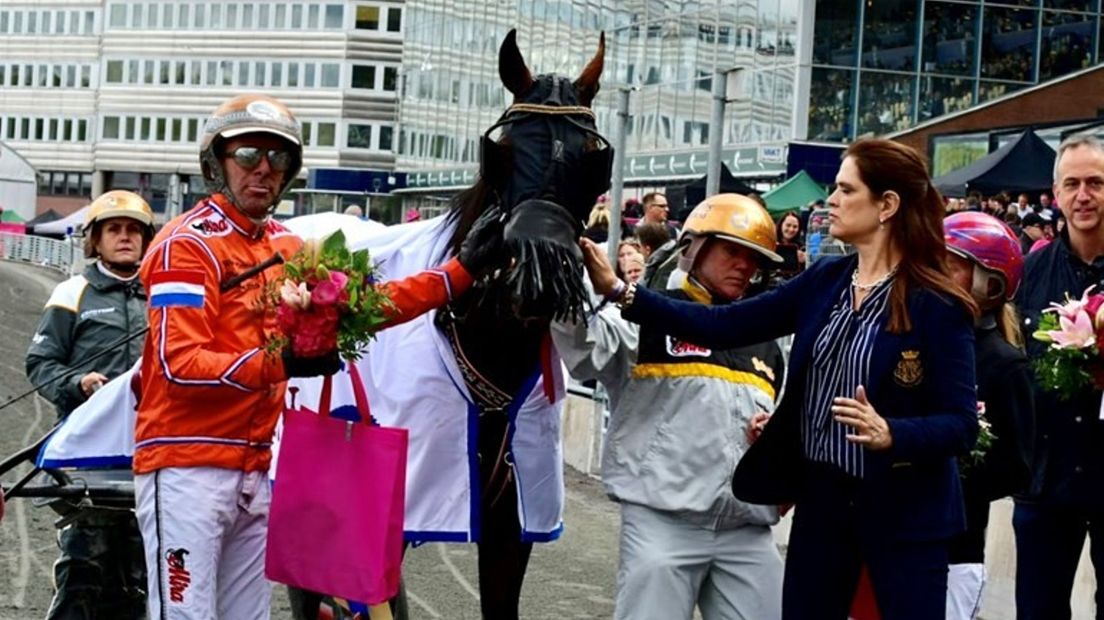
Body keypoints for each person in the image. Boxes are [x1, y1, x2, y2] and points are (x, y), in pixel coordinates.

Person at [132, 93, 506, 619]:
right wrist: (284, 363)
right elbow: (180, 365)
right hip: (186, 469)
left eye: (278, 159)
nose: (263, 170)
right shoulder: (186, 246)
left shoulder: (287, 246)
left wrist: (458, 274)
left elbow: (366, 307)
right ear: (217, 162)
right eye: (247, 156)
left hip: (256, 468)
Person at [582, 138, 979, 619]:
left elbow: (961, 425)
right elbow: (723, 324)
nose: (830, 200)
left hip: (905, 512)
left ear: (887, 206)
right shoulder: (826, 280)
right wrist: (623, 292)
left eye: (845, 189)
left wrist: (893, 432)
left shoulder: (938, 303)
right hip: (824, 504)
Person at [555, 194, 786, 620]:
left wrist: (774, 438)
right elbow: (584, 347)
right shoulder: (646, 315)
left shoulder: (767, 343)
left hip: (748, 530)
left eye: (754, 258)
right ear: (694, 247)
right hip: (664, 524)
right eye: (732, 250)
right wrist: (559, 269)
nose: (745, 265)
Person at [26, 190, 155, 620]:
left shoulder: (162, 295)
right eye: (114, 229)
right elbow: (40, 364)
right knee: (84, 572)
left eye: (133, 230)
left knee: (140, 580)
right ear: (94, 240)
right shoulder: (71, 292)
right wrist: (77, 383)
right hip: (86, 460)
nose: (125, 237)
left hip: (149, 457)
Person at [1014, 133, 1104, 620]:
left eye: (1096, 182)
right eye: (1072, 184)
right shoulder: (1027, 273)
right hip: (1045, 479)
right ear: (1056, 194)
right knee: (1038, 611)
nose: (1083, 195)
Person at [942, 212, 1035, 620]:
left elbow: (1017, 466)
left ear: (989, 282)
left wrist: (949, 470)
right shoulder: (919, 340)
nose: (937, 273)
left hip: (957, 548)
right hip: (895, 536)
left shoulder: (1003, 363)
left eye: (953, 264)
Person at [774, 210, 806, 280]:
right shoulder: (771, 242)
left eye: (795, 227)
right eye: (788, 225)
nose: (791, 229)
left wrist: (805, 260)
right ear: (781, 224)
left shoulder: (802, 248)